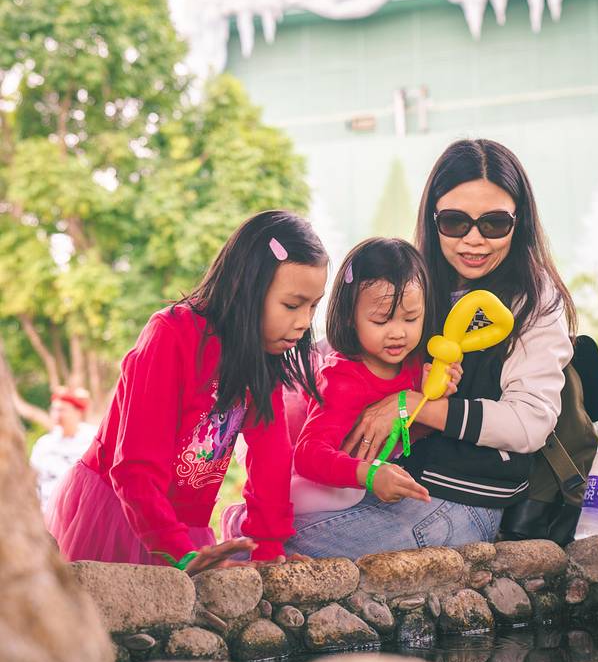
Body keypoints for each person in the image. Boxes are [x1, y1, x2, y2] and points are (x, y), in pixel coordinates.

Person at [277, 138, 575, 558]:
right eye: (455, 222)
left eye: (494, 224)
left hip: (466, 498)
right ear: (433, 218)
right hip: (397, 479)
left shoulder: (534, 297)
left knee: (285, 544)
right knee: (268, 524)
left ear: (519, 221)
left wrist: (409, 404)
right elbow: (347, 344)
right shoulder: (417, 277)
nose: (474, 240)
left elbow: (530, 423)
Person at [46, 211, 328, 575]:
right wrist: (177, 550)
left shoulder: (261, 356)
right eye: (292, 305)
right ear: (247, 288)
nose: (304, 321)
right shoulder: (172, 335)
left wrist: (269, 547)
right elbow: (134, 467)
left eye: (313, 306)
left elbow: (272, 456)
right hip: (122, 512)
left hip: (185, 528)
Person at [222, 238, 461, 552]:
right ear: (350, 316)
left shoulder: (416, 365)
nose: (398, 332)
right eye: (380, 320)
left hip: (360, 475)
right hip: (312, 478)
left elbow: (410, 431)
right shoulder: (344, 380)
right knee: (347, 495)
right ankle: (241, 521)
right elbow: (308, 455)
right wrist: (368, 474)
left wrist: (435, 397)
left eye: (410, 318)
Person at [30, 387, 97, 508]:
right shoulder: (44, 444)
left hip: (82, 506)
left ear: (78, 412)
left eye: (62, 410)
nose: (57, 414)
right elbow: (33, 478)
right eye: (54, 409)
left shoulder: (92, 440)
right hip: (48, 506)